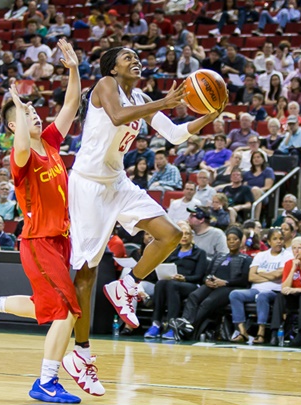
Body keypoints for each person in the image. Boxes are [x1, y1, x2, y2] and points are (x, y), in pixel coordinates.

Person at [68, 46, 223, 369]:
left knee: (169, 234)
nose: (136, 61)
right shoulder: (104, 86)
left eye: (138, 57)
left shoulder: (140, 99)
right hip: (88, 185)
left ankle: (127, 284)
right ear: (112, 68)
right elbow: (117, 116)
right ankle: (80, 352)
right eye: (128, 58)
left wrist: (208, 115)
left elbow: (176, 135)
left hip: (117, 181)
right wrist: (165, 102)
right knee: (86, 273)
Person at [0, 40, 90, 403]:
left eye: (35, 110)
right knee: (65, 311)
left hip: (60, 240)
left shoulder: (50, 143)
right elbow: (20, 141)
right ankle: (46, 382)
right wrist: (17, 107)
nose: (35, 114)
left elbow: (71, 105)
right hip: (38, 241)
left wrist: (73, 68)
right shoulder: (20, 158)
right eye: (25, 113)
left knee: (45, 307)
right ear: (12, 124)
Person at [169, 227, 252, 340]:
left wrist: (225, 282)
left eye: (235, 239)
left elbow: (244, 280)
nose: (231, 242)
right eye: (229, 239)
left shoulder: (246, 259)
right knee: (193, 296)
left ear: (240, 240)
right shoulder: (219, 256)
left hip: (230, 287)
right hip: (212, 285)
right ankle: (185, 323)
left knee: (207, 302)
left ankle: (189, 328)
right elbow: (206, 274)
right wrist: (207, 280)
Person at [143, 221, 208, 340]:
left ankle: (172, 327)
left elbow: (199, 276)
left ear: (192, 236)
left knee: (172, 285)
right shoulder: (172, 252)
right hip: (172, 283)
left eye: (187, 234)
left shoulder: (199, 253)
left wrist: (185, 278)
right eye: (182, 234)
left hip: (191, 285)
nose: (184, 236)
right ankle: (156, 323)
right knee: (161, 284)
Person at [229, 228, 292, 344]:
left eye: (281, 239)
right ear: (269, 241)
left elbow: (278, 275)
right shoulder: (260, 255)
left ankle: (261, 333)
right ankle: (242, 332)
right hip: (255, 289)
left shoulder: (288, 255)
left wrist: (261, 273)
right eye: (275, 239)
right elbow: (251, 277)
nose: (278, 241)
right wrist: (271, 275)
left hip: (274, 291)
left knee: (263, 296)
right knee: (235, 294)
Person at [268, 236, 301, 346]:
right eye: (293, 248)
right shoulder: (289, 263)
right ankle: (274, 333)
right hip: (295, 296)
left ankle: (300, 334)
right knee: (280, 297)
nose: (296, 251)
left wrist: (296, 289)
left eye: (300, 248)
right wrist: (293, 269)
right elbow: (284, 288)